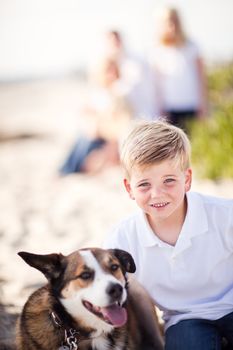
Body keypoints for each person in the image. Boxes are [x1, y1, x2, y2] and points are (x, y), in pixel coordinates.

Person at [103, 120, 233, 349]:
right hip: (185, 319)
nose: (157, 194)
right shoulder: (123, 238)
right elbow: (111, 293)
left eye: (169, 181)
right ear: (129, 188)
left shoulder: (224, 215)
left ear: (188, 179)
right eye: (144, 184)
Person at [60, 57, 132, 175]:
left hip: (109, 136)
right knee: (82, 136)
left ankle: (69, 170)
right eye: (108, 71)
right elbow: (85, 113)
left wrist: (100, 127)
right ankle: (68, 169)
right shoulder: (97, 93)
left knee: (86, 140)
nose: (110, 74)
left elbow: (122, 122)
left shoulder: (119, 94)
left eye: (113, 71)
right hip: (96, 132)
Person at [149, 7, 208, 130]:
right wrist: (159, 107)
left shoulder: (192, 46)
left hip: (191, 105)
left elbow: (201, 76)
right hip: (169, 107)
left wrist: (202, 104)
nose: (171, 25)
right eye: (167, 22)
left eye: (174, 21)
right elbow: (156, 83)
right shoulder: (157, 49)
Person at [99, 29, 158, 120]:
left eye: (116, 40)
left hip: (140, 113)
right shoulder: (104, 63)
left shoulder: (134, 62)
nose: (114, 44)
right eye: (110, 41)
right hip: (116, 116)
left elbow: (131, 87)